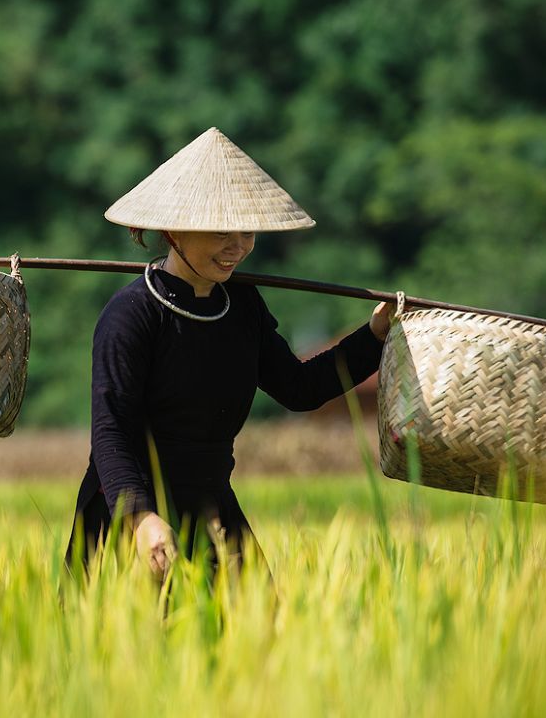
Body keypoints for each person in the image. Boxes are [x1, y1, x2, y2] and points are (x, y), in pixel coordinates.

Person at [64, 127, 394, 579]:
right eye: (221, 230)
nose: (237, 246)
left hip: (212, 507)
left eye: (246, 231)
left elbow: (301, 389)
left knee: (258, 639)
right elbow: (110, 431)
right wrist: (140, 519)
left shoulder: (241, 305)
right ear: (175, 229)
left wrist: (374, 335)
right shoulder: (131, 314)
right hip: (129, 512)